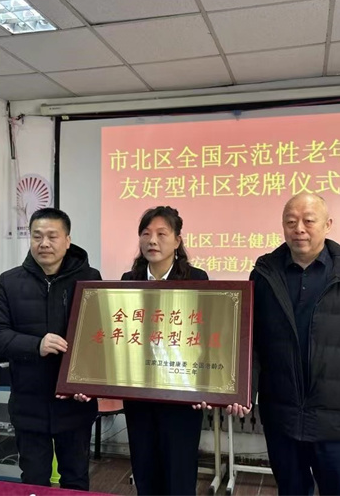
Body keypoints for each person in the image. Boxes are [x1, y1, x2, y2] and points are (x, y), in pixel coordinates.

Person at [234, 194, 340, 496]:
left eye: (308, 221)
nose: (299, 228)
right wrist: (243, 391)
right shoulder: (265, 275)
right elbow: (252, 343)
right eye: (290, 221)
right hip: (282, 417)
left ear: (327, 224)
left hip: (337, 419)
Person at [0, 207, 101, 490]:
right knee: (33, 481)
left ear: (67, 240)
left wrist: (92, 383)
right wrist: (36, 345)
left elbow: (101, 337)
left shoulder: (90, 279)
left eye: (52, 236)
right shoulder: (10, 282)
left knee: (76, 479)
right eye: (37, 236)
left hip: (75, 405)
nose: (44, 243)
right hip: (29, 403)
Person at [121, 206, 209, 496]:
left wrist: (206, 386)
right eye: (146, 234)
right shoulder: (128, 280)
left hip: (182, 395)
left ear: (177, 240)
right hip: (140, 393)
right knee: (145, 469)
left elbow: (207, 337)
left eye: (161, 234)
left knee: (179, 472)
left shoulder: (197, 279)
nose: (152, 241)